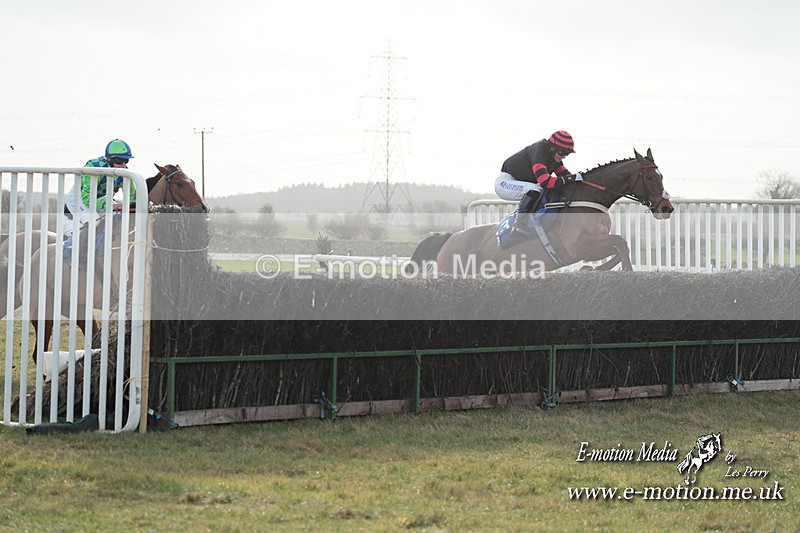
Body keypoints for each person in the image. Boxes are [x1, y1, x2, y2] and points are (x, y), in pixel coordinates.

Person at [495, 130, 575, 236]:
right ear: (552, 148)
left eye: (567, 153)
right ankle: (518, 225)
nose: (564, 156)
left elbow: (567, 177)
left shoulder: (555, 159)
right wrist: (568, 179)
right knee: (536, 189)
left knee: (543, 190)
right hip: (505, 183)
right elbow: (545, 181)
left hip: (518, 183)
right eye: (562, 152)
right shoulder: (540, 150)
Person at [63, 139, 136, 235]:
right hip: (80, 199)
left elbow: (132, 197)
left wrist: (126, 205)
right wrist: (111, 206)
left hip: (100, 198)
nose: (123, 165)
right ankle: (70, 249)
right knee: (94, 222)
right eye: (119, 161)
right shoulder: (94, 167)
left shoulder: (124, 173)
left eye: (126, 161)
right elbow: (87, 199)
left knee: (116, 218)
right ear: (109, 159)